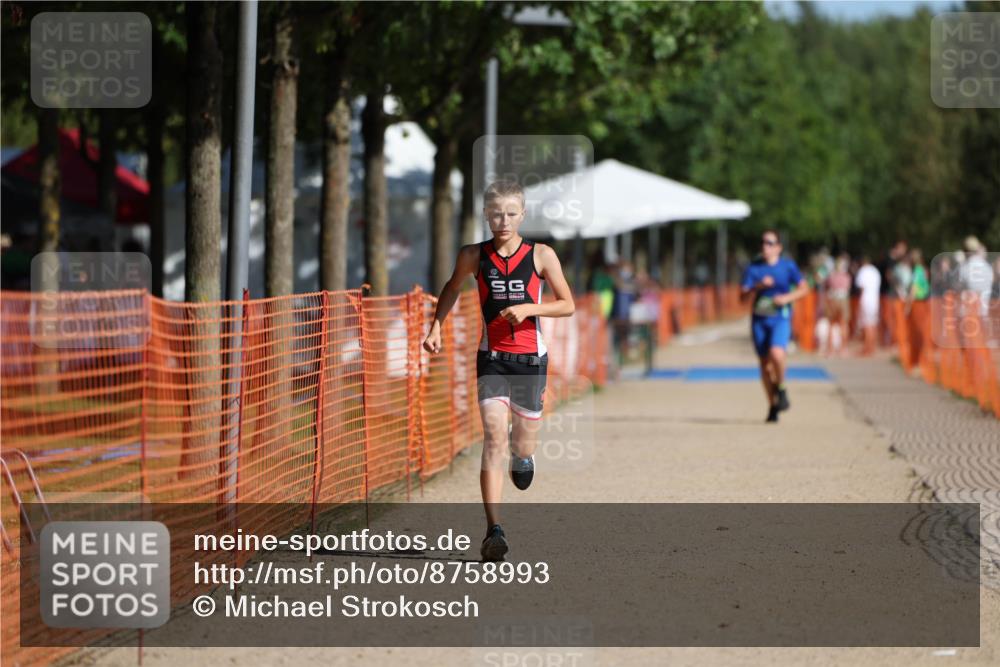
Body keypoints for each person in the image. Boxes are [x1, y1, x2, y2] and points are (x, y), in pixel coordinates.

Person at [422, 179, 575, 561]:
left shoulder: (541, 255)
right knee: (493, 438)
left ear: (522, 215)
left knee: (521, 446)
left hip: (530, 361)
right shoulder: (473, 255)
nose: (503, 221)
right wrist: (436, 326)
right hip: (491, 359)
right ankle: (493, 530)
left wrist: (529, 309)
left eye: (510, 213)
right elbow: (452, 287)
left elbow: (567, 304)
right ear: (486, 215)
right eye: (495, 214)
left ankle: (523, 454)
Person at [740, 230, 809, 423]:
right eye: (763, 243)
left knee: (777, 354)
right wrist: (758, 286)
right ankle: (772, 405)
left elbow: (804, 288)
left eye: (770, 243)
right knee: (764, 364)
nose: (765, 247)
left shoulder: (787, 266)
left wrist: (787, 298)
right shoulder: (754, 268)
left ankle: (782, 388)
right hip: (759, 320)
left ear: (778, 247)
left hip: (780, 318)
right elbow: (742, 297)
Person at [824, 254, 852, 357]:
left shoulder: (831, 276)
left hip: (833, 299)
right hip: (843, 299)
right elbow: (848, 288)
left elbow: (827, 286)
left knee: (831, 325)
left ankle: (830, 350)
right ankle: (843, 349)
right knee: (843, 324)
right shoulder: (847, 276)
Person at [855, 255, 882, 356]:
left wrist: (860, 301)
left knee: (867, 325)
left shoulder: (863, 271)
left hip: (866, 300)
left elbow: (861, 287)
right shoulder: (875, 271)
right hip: (875, 300)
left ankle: (867, 348)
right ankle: (872, 347)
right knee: (873, 324)